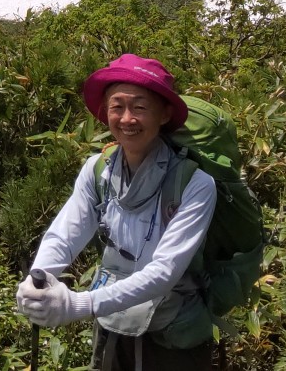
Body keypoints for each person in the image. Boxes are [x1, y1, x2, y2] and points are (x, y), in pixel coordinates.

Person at [16, 54, 218, 370]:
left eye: (140, 107)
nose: (126, 118)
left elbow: (164, 272)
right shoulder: (98, 170)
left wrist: (79, 304)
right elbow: (65, 235)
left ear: (164, 114)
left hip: (173, 334)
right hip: (112, 323)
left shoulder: (195, 184)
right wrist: (38, 278)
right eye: (116, 106)